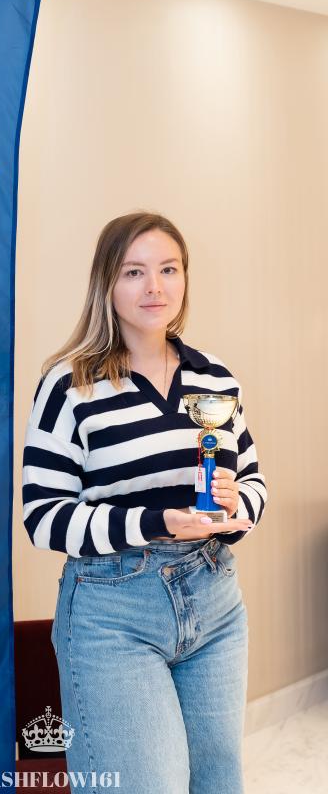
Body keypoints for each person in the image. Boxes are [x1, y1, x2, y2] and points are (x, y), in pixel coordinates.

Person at [21, 211, 267, 794]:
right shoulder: (70, 385)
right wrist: (158, 522)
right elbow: (44, 517)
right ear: (106, 283)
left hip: (215, 599)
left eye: (168, 270)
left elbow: (254, 480)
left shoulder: (216, 379)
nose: (154, 287)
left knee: (217, 782)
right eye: (134, 272)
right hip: (112, 611)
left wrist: (237, 510)